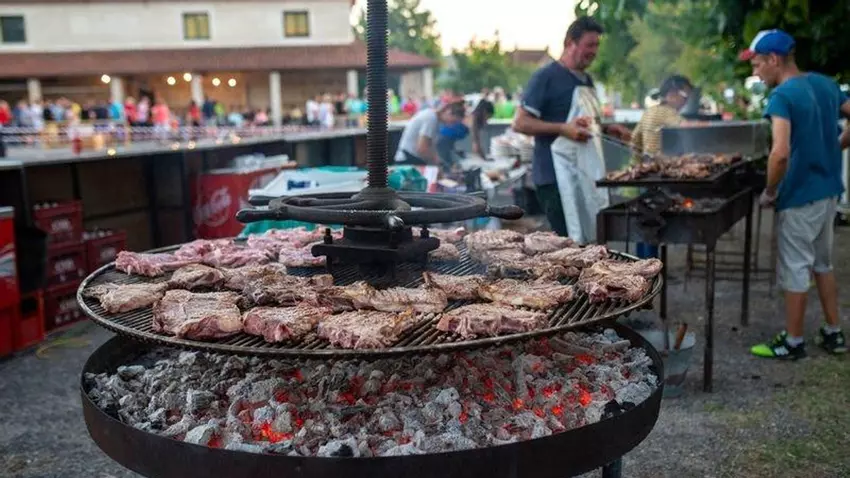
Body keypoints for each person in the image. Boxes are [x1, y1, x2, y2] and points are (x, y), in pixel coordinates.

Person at [741, 29, 850, 359]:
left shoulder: (783, 96)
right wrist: (836, 146)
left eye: (757, 64)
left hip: (800, 195)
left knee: (795, 267)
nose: (755, 72)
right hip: (828, 192)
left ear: (774, 60)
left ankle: (793, 342)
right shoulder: (825, 84)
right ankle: (834, 333)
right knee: (822, 264)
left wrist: (770, 190)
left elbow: (780, 153)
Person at [513, 16, 630, 241]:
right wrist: (563, 129)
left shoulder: (587, 81)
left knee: (589, 240)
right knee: (567, 245)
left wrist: (606, 128)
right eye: (589, 45)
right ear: (570, 43)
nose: (594, 51)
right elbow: (520, 123)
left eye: (597, 45)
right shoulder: (546, 77)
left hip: (584, 174)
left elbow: (585, 123)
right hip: (554, 178)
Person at [629, 75, 693, 259]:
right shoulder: (667, 112)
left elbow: (634, 141)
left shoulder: (649, 112)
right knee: (654, 222)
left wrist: (638, 165)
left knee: (643, 219)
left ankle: (639, 261)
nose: (685, 101)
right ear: (672, 93)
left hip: (644, 174)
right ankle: (650, 264)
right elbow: (687, 128)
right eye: (684, 96)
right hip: (659, 175)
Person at [394, 101, 466, 166]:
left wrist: (439, 160)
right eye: (453, 121)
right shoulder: (431, 118)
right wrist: (436, 164)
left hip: (411, 159)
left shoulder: (433, 117)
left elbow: (430, 145)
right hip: (407, 161)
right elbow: (422, 149)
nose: (452, 125)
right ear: (448, 112)